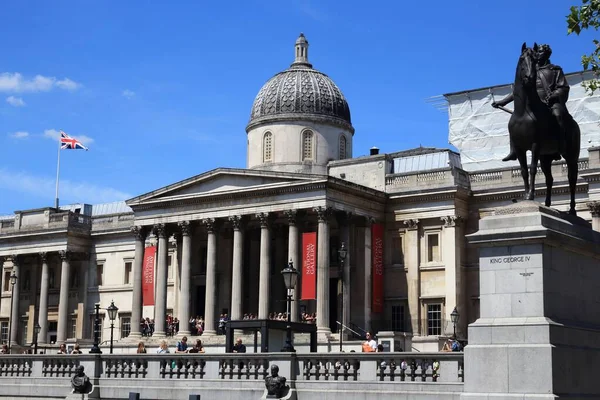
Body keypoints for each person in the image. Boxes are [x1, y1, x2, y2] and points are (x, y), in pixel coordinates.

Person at [493, 43, 569, 162]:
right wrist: (502, 102)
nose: (537, 54)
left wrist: (554, 95)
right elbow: (519, 91)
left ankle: (561, 144)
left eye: (540, 52)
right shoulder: (531, 70)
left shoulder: (555, 70)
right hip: (535, 103)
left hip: (550, 103)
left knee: (558, 115)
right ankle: (513, 150)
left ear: (547, 54)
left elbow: (563, 87)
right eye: (537, 52)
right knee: (514, 121)